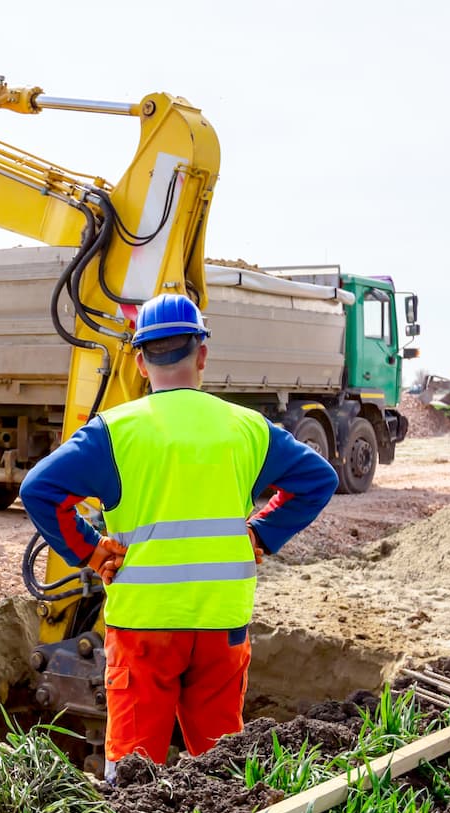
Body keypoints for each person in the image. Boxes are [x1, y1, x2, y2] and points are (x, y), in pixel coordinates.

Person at [19, 293, 339, 776]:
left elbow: (39, 490)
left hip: (145, 624)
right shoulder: (248, 428)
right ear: (202, 355)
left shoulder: (116, 431)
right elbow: (319, 480)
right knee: (220, 772)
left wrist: (91, 549)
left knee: (134, 774)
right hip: (221, 622)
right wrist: (261, 534)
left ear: (140, 361)